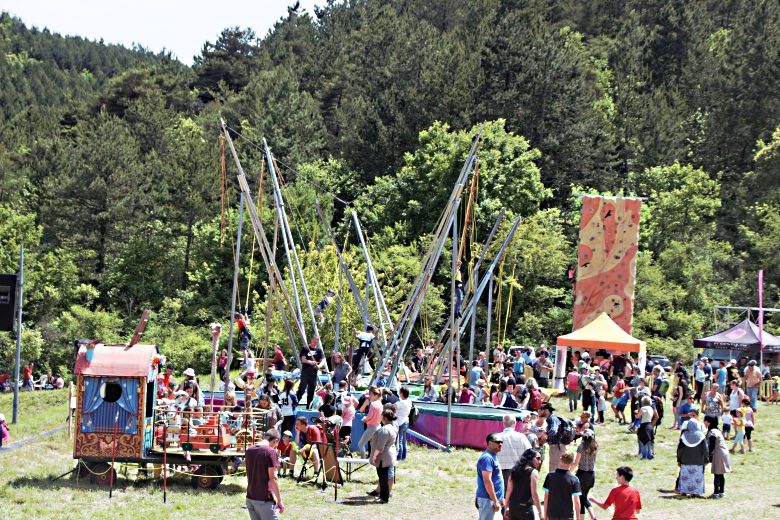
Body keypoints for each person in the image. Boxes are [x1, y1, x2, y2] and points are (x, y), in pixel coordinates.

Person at [245, 428, 284, 520]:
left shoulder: (249, 450)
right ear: (275, 441)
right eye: (276, 444)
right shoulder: (270, 451)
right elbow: (273, 478)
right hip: (264, 499)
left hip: (250, 498)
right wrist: (279, 500)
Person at [542, 450, 582, 520]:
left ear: (560, 460)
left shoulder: (550, 476)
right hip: (567, 515)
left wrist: (545, 515)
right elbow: (577, 502)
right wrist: (578, 518)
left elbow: (546, 497)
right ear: (572, 462)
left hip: (552, 514)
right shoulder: (574, 479)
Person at [504, 448, 543, 520]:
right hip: (525, 509)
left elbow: (508, 491)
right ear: (530, 458)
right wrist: (540, 512)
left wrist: (505, 508)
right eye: (538, 458)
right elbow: (534, 494)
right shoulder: (533, 472)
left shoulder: (514, 470)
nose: (540, 461)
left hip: (513, 508)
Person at [370, 409, 398, 504]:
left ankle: (384, 498)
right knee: (383, 477)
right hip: (389, 455)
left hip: (383, 457)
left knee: (383, 477)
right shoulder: (393, 427)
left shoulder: (384, 429)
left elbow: (380, 447)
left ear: (384, 418)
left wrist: (374, 457)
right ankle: (382, 496)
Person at [475, 432, 505, 520]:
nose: (500, 444)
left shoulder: (492, 456)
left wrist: (500, 498)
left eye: (501, 442)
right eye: (498, 442)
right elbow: (487, 481)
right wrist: (495, 500)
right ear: (490, 443)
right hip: (487, 499)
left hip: (491, 499)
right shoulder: (487, 458)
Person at [676, 418, 709, 496]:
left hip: (685, 461)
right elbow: (705, 449)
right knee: (696, 477)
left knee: (685, 477)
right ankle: (696, 493)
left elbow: (679, 450)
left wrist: (679, 460)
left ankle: (684, 491)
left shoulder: (684, 435)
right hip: (698, 461)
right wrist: (706, 460)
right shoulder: (701, 436)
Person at [497, 414, 532, 485]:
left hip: (501, 472)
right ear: (514, 423)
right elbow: (530, 453)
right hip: (518, 471)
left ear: (503, 423)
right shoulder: (522, 437)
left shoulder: (497, 437)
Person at [572, 429, 598, 520]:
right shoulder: (595, 446)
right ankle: (593, 516)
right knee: (584, 497)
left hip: (582, 474)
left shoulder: (581, 447)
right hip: (591, 475)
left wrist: (568, 471)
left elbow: (576, 463)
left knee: (580, 499)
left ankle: (582, 518)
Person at [703, 415, 731, 499]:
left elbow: (712, 444)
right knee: (721, 474)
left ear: (709, 422)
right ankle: (721, 492)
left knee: (717, 474)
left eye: (705, 421)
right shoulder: (716, 430)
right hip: (723, 453)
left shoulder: (713, 432)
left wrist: (708, 456)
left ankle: (716, 493)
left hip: (718, 453)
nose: (704, 422)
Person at [297, 337, 324, 409]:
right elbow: (303, 360)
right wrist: (311, 362)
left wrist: (319, 365)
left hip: (313, 374)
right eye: (314, 341)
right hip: (305, 373)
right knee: (301, 390)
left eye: (317, 341)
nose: (315, 343)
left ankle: (308, 408)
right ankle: (295, 405)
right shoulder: (305, 348)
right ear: (311, 340)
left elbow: (322, 360)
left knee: (311, 391)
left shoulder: (319, 350)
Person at [358, 387, 383, 457]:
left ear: (375, 395)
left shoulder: (373, 404)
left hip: (372, 427)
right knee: (373, 445)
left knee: (361, 444)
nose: (370, 397)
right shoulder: (380, 404)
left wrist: (364, 419)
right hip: (378, 426)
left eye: (371, 395)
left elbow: (369, 416)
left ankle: (362, 460)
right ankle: (373, 460)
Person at [635, 395, 657, 460]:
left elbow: (638, 416)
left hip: (644, 425)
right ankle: (650, 454)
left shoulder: (643, 408)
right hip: (650, 425)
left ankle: (644, 456)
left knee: (643, 441)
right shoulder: (651, 408)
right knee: (648, 442)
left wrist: (636, 413)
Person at [395, 387, 412, 461]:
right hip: (406, 421)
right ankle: (404, 456)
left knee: (399, 441)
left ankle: (399, 456)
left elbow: (392, 407)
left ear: (401, 393)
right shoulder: (409, 401)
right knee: (404, 440)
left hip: (400, 422)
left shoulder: (401, 403)